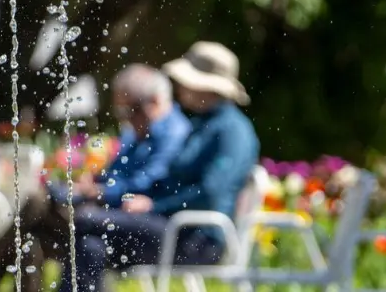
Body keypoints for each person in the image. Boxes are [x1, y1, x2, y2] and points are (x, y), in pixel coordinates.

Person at [0, 65, 191, 292]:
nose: (125, 118)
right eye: (121, 111)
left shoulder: (174, 134)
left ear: (155, 102)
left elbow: (147, 184)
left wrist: (98, 191)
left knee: (38, 201)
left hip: (135, 224)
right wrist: (92, 182)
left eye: (131, 110)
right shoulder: (136, 131)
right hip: (105, 216)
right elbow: (114, 175)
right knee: (36, 236)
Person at [59, 42, 259, 292]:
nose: (179, 86)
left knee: (85, 219)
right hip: (172, 228)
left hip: (198, 239)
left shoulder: (232, 130)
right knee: (90, 245)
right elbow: (171, 180)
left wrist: (154, 205)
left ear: (205, 86)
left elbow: (210, 193)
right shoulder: (201, 125)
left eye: (185, 81)